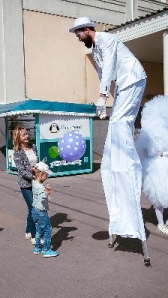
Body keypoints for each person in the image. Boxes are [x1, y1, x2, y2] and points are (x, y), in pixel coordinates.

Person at [69, 18, 147, 242]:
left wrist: (102, 97)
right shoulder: (95, 51)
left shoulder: (107, 40)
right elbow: (106, 76)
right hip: (123, 86)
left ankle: (127, 157)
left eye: (78, 33)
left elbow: (111, 67)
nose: (77, 37)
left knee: (120, 123)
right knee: (116, 122)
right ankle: (120, 155)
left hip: (134, 79)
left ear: (87, 30)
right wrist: (105, 102)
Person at [136, 95, 168, 235]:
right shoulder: (147, 135)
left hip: (164, 163)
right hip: (155, 166)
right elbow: (142, 152)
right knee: (157, 196)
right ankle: (161, 223)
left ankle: (164, 222)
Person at [13, 125, 38, 244]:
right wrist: (32, 176)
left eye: (27, 134)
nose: (27, 136)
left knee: (31, 209)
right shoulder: (17, 152)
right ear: (18, 137)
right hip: (25, 184)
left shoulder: (34, 147)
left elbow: (37, 163)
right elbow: (21, 170)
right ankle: (34, 235)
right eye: (24, 135)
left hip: (37, 182)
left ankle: (28, 231)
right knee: (33, 208)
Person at [31, 162, 59, 258]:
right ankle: (46, 250)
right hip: (41, 212)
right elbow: (43, 196)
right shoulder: (40, 187)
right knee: (48, 230)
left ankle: (37, 247)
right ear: (42, 174)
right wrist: (46, 191)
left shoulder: (34, 183)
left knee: (38, 229)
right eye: (46, 175)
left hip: (34, 210)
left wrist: (45, 190)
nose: (47, 177)